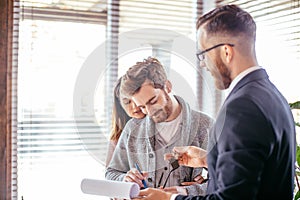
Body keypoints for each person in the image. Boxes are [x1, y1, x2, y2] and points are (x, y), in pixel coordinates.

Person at [133, 4, 296, 200]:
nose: (203, 64)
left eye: (204, 55)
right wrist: (208, 159)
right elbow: (256, 169)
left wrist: (169, 199)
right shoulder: (271, 95)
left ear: (226, 52)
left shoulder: (242, 107)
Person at [105, 57, 213, 196]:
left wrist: (188, 191)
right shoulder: (133, 128)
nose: (149, 112)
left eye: (153, 101)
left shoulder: (206, 126)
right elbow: (112, 173)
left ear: (167, 86)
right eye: (142, 107)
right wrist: (124, 179)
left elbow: (227, 181)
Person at [105, 77, 146, 166]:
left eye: (137, 100)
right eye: (127, 102)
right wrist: (125, 177)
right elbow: (110, 172)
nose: (135, 106)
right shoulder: (117, 136)